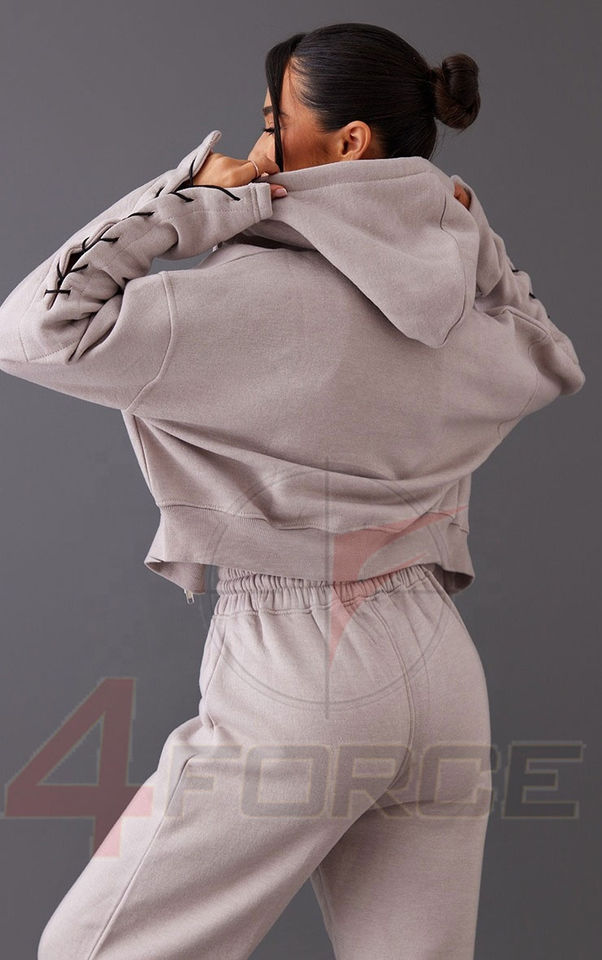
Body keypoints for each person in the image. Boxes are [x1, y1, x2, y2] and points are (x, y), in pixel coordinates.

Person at [0, 21, 585, 960]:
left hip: (303, 663)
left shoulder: (241, 298)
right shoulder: (464, 320)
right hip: (439, 667)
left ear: (349, 141)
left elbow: (33, 328)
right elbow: (550, 352)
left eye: (274, 121)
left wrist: (189, 200)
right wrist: (464, 223)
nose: (259, 143)